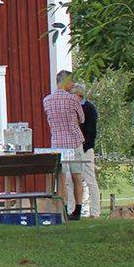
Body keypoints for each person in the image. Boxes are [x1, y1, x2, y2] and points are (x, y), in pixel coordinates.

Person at [42, 70, 86, 220]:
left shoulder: (47, 100)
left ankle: (64, 208)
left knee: (61, 178)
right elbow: (82, 119)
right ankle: (78, 210)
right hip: (74, 141)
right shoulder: (73, 99)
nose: (73, 84)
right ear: (66, 81)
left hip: (57, 143)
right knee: (76, 176)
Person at [71, 83, 101, 218]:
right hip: (75, 147)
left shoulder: (89, 108)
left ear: (79, 95)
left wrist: (85, 146)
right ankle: (72, 209)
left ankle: (95, 212)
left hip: (85, 148)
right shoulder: (73, 108)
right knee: (72, 179)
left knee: (90, 179)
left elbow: (91, 131)